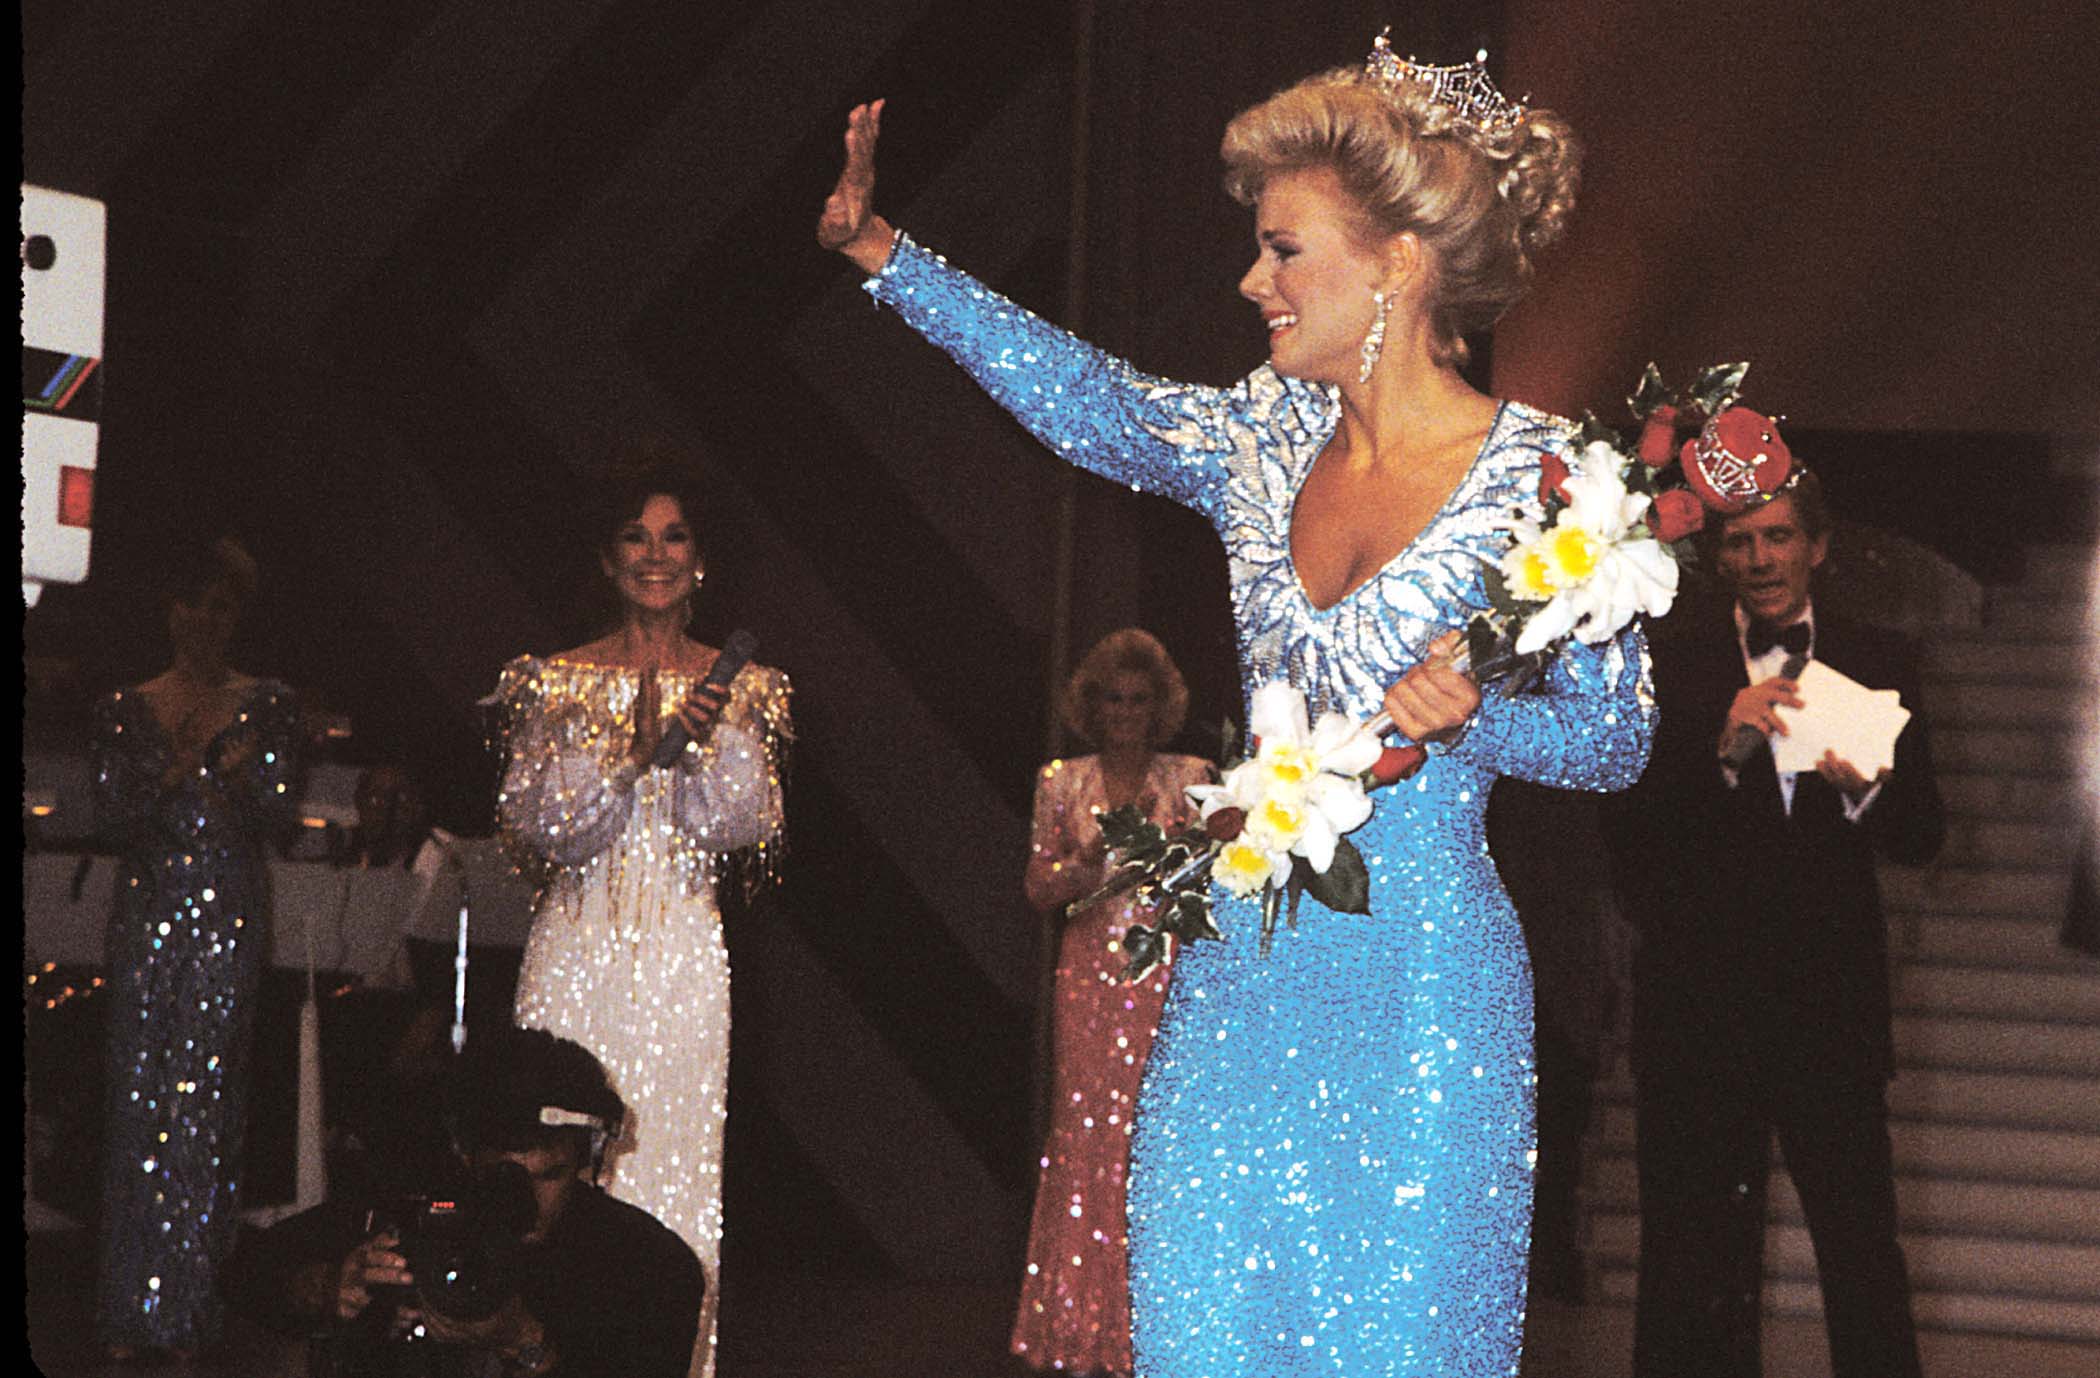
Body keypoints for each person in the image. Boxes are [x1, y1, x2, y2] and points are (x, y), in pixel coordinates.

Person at [820, 37, 1653, 1376]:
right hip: (1237, 981)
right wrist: (882, 255)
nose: (1251, 280)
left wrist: (1476, 721)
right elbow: (1086, 401)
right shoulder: (1258, 439)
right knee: (1202, 1330)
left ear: (1395, 260)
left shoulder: (1548, 481)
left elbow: (1617, 738)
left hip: (1424, 1001)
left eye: (1284, 250)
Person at [1608, 466, 1944, 1378]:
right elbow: (1626, 853)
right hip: (1698, 1017)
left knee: (1863, 1255)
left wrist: (1871, 789)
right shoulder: (1666, 671)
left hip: (1831, 1014)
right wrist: (1718, 757)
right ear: (1717, 558)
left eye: (1779, 537)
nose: (1761, 558)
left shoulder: (1880, 662)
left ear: (1818, 547)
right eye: (1740, 541)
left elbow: (1923, 838)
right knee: (1688, 1262)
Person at [493, 455, 790, 1378]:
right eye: (634, 534)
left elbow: (744, 828)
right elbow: (541, 831)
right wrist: (626, 752)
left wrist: (703, 747)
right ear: (606, 556)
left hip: (681, 957)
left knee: (670, 1163)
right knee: (547, 1157)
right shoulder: (553, 682)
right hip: (575, 949)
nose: (654, 554)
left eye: (674, 535)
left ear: (702, 559)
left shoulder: (746, 686)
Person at [90, 535, 305, 1362]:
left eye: (221, 606)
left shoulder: (269, 703)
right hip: (148, 917)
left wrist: (243, 775)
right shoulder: (126, 705)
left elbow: (281, 813)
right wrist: (174, 773)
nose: (205, 620)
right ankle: (131, 1304)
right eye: (193, 603)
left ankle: (192, 1303)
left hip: (227, 917)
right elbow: (110, 817)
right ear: (168, 611)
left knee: (207, 1102)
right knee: (140, 1098)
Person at [226, 1025, 706, 1378]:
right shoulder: (421, 1210)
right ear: (466, 1157)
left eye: (552, 1175)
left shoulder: (648, 1265)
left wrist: (528, 1343)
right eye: (505, 1175)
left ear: (587, 1161)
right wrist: (331, 1287)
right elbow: (236, 1269)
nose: (528, 1199)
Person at [1013, 629, 1215, 1376]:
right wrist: (1085, 863)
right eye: (1113, 699)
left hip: (1169, 976)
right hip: (1090, 978)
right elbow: (1039, 889)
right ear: (1091, 707)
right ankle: (1076, 1325)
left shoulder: (1194, 776)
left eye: (1139, 699)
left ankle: (1163, 1320)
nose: (1126, 712)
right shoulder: (1062, 781)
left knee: (1162, 1143)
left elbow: (1221, 879)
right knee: (1089, 1140)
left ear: (1160, 707)